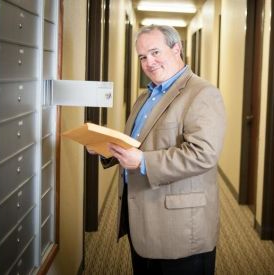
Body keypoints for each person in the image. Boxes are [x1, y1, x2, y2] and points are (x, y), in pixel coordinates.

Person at [89, 25, 226, 275]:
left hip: (181, 228)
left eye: (155, 52)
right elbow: (138, 144)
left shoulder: (202, 93)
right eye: (142, 56)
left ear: (177, 49)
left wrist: (142, 162)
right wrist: (105, 147)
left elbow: (203, 154)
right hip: (143, 220)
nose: (148, 62)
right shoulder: (145, 96)